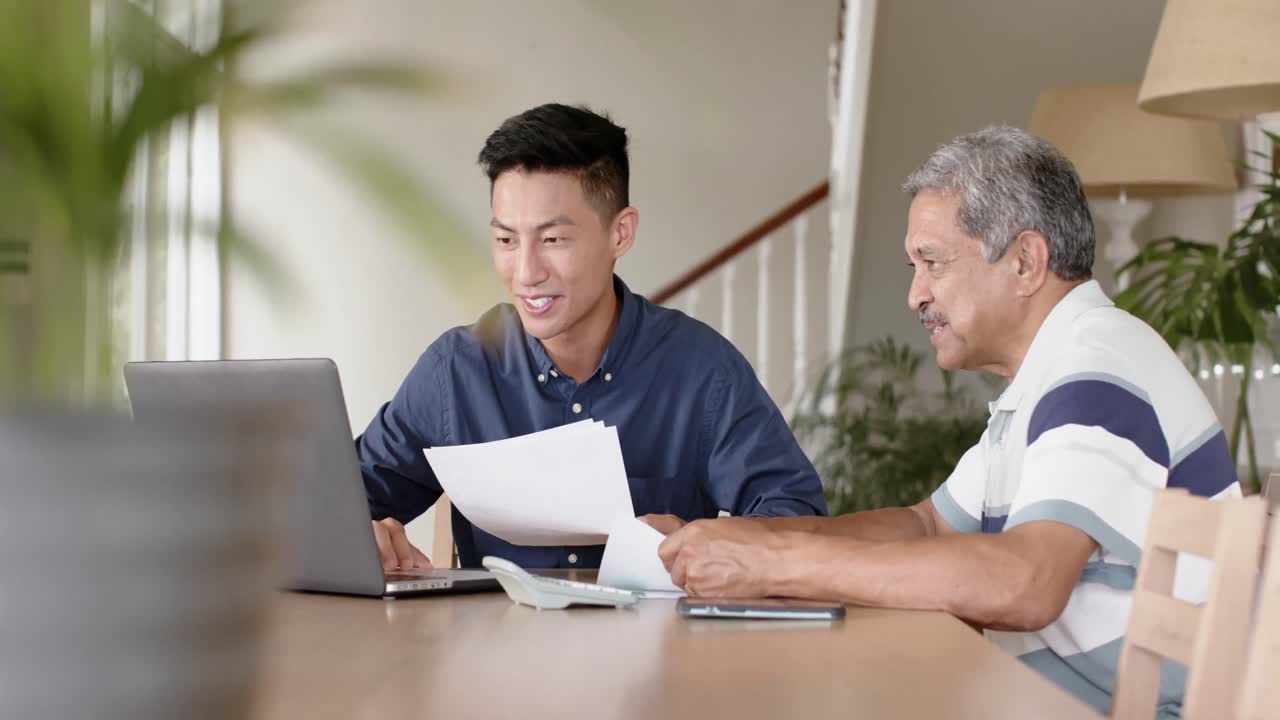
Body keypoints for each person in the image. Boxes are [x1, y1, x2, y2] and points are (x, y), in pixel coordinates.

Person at [653, 126, 1239, 717]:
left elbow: (1026, 583)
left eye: (932, 263)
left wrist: (773, 566)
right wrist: (744, 538)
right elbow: (929, 525)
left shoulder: (1096, 371)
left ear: (1026, 261)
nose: (915, 295)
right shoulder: (1048, 377)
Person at [357, 103, 827, 572]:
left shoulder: (702, 370)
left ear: (620, 234)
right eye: (506, 240)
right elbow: (341, 502)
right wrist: (367, 531)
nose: (526, 273)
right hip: (498, 642)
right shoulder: (457, 370)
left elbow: (796, 516)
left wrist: (703, 539)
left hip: (660, 643)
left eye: (553, 240)